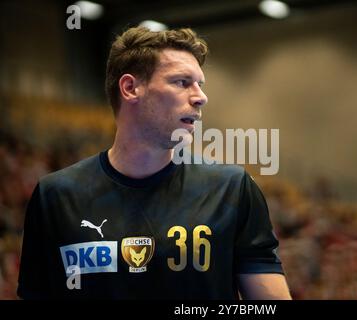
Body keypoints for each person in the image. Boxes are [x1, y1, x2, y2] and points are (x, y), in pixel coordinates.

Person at [17, 26, 291, 299]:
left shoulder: (232, 189)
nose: (200, 97)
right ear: (130, 87)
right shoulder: (56, 195)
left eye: (200, 84)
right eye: (182, 82)